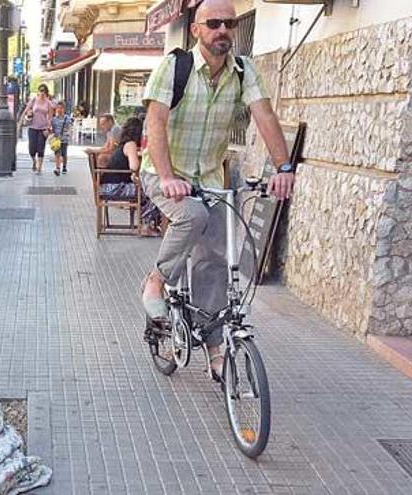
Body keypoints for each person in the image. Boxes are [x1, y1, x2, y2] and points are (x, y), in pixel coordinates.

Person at [140, 0, 295, 379]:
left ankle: (214, 348)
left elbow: (264, 115)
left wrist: (283, 167)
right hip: (163, 174)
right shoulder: (173, 68)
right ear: (197, 29)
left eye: (230, 23)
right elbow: (156, 124)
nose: (223, 30)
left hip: (210, 179)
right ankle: (156, 282)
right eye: (214, 23)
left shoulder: (243, 72)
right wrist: (167, 176)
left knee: (216, 259)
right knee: (192, 215)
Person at [99, 117, 163, 236]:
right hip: (115, 188)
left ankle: (146, 223)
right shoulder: (130, 145)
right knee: (152, 192)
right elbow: (134, 166)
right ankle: (146, 226)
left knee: (146, 191)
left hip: (107, 186)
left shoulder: (122, 144)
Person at [19, 83, 54, 173]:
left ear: (46, 93)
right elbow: (26, 111)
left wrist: (48, 129)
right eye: (40, 91)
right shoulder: (34, 100)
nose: (42, 93)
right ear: (38, 92)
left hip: (43, 128)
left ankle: (39, 168)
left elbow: (50, 117)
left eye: (44, 91)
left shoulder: (49, 103)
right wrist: (20, 122)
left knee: (41, 148)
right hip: (32, 127)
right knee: (32, 148)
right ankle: (34, 162)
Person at [50, 101, 73, 176]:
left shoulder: (67, 118)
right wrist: (51, 135)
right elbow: (52, 129)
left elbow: (69, 127)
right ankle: (57, 168)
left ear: (64, 109)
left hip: (64, 139)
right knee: (57, 154)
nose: (59, 109)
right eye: (58, 108)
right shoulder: (54, 119)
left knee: (64, 154)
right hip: (57, 139)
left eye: (61, 108)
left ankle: (64, 166)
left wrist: (69, 133)